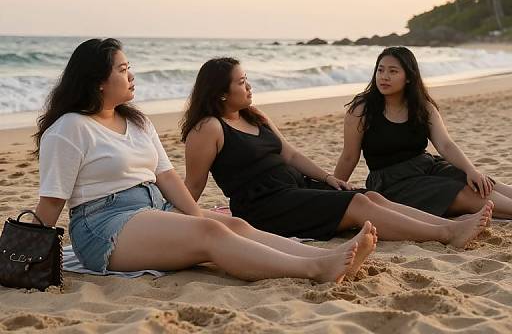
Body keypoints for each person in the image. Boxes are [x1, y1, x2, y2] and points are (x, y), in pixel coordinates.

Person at [33, 38, 378, 284]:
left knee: (233, 225)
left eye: (129, 67)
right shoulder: (69, 129)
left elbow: (167, 177)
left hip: (153, 209)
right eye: (123, 69)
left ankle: (320, 257)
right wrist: (22, 247)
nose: (131, 75)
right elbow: (51, 203)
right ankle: (315, 271)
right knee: (211, 230)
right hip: (102, 226)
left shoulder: (137, 121)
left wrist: (196, 216)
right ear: (97, 83)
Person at [183, 57, 492, 249]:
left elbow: (290, 154)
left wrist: (329, 178)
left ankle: (445, 227)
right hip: (264, 205)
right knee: (358, 203)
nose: (248, 86)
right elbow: (193, 185)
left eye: (246, 79)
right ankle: (448, 233)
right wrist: (176, 220)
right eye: (241, 82)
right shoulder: (208, 128)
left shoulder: (254, 115)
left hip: (294, 187)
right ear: (222, 92)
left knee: (370, 197)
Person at [334, 46, 512, 219]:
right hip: (393, 182)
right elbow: (349, 157)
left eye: (393, 71)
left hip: (427, 166)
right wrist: (330, 193)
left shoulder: (422, 107)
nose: (384, 77)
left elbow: (445, 145)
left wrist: (471, 170)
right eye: (380, 71)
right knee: (463, 193)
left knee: (483, 184)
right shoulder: (361, 110)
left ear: (409, 77)